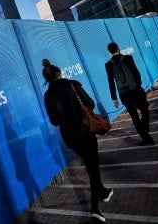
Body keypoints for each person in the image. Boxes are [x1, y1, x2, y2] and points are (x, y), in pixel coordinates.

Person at [42, 58, 113, 222]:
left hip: (70, 137)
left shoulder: (47, 96)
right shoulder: (72, 84)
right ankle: (95, 208)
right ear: (58, 73)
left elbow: (54, 121)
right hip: (85, 131)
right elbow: (90, 103)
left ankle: (103, 191)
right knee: (93, 168)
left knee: (89, 164)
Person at [105, 43, 155, 146]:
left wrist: (114, 98)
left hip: (124, 94)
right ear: (118, 48)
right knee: (145, 111)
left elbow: (111, 82)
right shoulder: (128, 58)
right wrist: (138, 86)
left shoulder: (108, 64)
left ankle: (146, 138)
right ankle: (145, 131)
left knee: (134, 117)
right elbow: (136, 73)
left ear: (110, 52)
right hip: (136, 91)